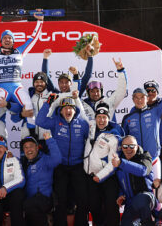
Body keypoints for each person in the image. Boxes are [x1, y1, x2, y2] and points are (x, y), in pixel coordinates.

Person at [0, 11, 44, 141]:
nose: (7, 39)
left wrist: (40, 21)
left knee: (28, 103)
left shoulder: (20, 51)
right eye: (5, 38)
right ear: (1, 41)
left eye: (10, 38)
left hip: (17, 86)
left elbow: (33, 38)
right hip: (1, 88)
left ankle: (32, 132)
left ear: (13, 41)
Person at [36, 96, 90, 226]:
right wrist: (48, 103)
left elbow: (92, 139)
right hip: (60, 167)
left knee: (82, 198)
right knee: (60, 199)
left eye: (70, 108)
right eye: (65, 108)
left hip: (78, 166)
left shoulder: (82, 124)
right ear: (60, 111)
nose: (68, 110)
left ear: (75, 110)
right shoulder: (55, 121)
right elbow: (39, 120)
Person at [121, 76, 162, 179]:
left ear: (147, 98)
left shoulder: (156, 111)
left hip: (153, 158)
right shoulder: (128, 118)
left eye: (142, 97)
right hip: (136, 160)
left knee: (156, 187)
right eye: (136, 97)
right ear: (132, 99)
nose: (139, 100)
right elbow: (123, 139)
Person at [83, 102, 123, 226]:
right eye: (99, 117)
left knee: (111, 206)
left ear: (108, 118)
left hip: (107, 177)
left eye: (104, 117)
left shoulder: (114, 135)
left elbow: (113, 163)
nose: (101, 120)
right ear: (95, 118)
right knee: (94, 206)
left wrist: (100, 176)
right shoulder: (91, 129)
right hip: (91, 175)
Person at [113, 135, 155, 226]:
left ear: (137, 146)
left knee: (140, 199)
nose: (128, 149)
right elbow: (120, 184)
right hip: (130, 202)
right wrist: (121, 196)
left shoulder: (144, 156)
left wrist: (121, 163)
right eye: (125, 146)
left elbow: (143, 170)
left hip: (147, 198)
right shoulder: (120, 160)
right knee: (125, 223)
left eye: (132, 146)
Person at [21, 134, 62, 226]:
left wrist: (49, 140)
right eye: (25, 147)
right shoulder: (23, 162)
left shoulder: (45, 159)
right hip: (30, 199)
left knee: (30, 205)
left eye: (31, 146)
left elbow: (57, 159)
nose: (29, 150)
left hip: (45, 198)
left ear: (37, 147)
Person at [79, 58, 127, 123]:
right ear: (88, 92)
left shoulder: (109, 102)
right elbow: (86, 77)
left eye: (97, 91)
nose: (95, 94)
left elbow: (122, 90)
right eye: (92, 91)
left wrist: (121, 71)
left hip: (108, 132)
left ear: (101, 91)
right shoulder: (83, 105)